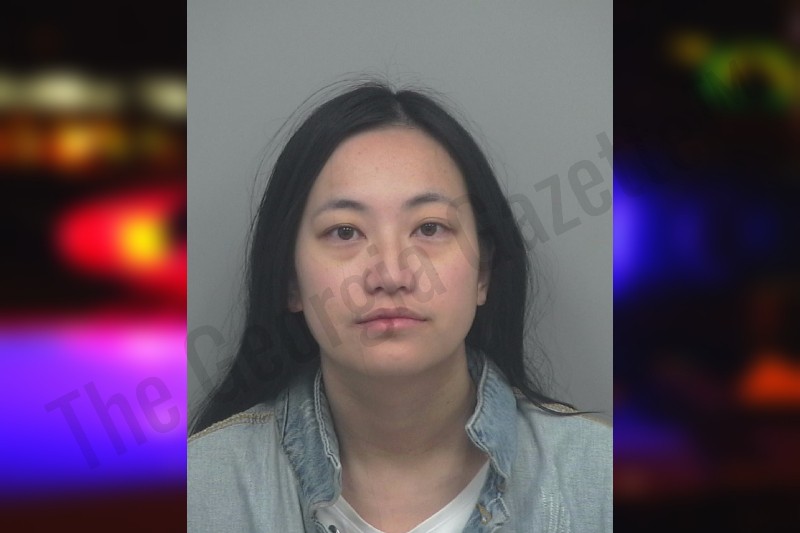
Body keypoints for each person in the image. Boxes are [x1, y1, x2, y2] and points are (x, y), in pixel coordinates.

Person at [188, 81, 611, 533]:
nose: (390, 275)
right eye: (345, 232)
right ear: (290, 280)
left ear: (483, 273)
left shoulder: (599, 479)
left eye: (429, 228)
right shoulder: (198, 492)